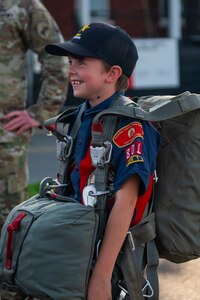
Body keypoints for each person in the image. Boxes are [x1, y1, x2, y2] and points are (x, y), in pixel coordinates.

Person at [45, 22, 160, 300]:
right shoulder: (76, 118)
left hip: (113, 262)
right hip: (75, 251)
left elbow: (127, 201)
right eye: (70, 61)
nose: (71, 69)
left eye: (81, 62)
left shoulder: (131, 127)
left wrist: (101, 276)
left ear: (113, 74)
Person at [0, 0, 68, 234]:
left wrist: (42, 111)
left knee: (8, 225)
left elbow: (56, 55)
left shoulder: (21, 5)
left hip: (5, 139)